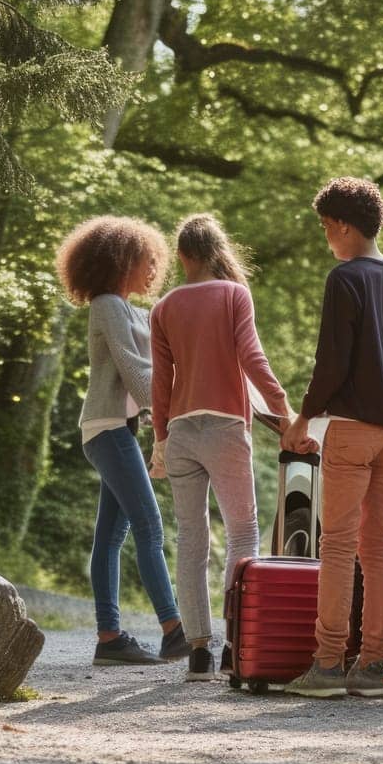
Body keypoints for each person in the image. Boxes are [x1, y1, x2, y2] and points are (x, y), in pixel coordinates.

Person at [281, 177, 383, 698]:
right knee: (379, 548)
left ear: (342, 225)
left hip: (352, 432)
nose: (326, 238)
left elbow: (331, 364)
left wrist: (303, 418)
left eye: (325, 228)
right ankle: (372, 669)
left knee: (337, 546)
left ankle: (327, 665)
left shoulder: (345, 279)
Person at [150, 214, 295, 681]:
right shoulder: (234, 295)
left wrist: (159, 440)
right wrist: (284, 409)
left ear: (183, 256)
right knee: (242, 533)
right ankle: (236, 645)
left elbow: (160, 383)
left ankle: (197, 652)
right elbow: (253, 358)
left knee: (191, 540)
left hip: (180, 433)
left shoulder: (163, 307)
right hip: (226, 429)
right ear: (216, 251)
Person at [56, 216, 186, 666]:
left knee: (111, 536)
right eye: (146, 261)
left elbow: (163, 362)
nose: (154, 269)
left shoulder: (137, 311)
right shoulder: (107, 305)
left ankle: (109, 638)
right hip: (106, 427)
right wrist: (176, 404)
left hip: (120, 429)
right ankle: (173, 631)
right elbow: (135, 371)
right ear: (120, 261)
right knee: (149, 525)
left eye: (156, 261)